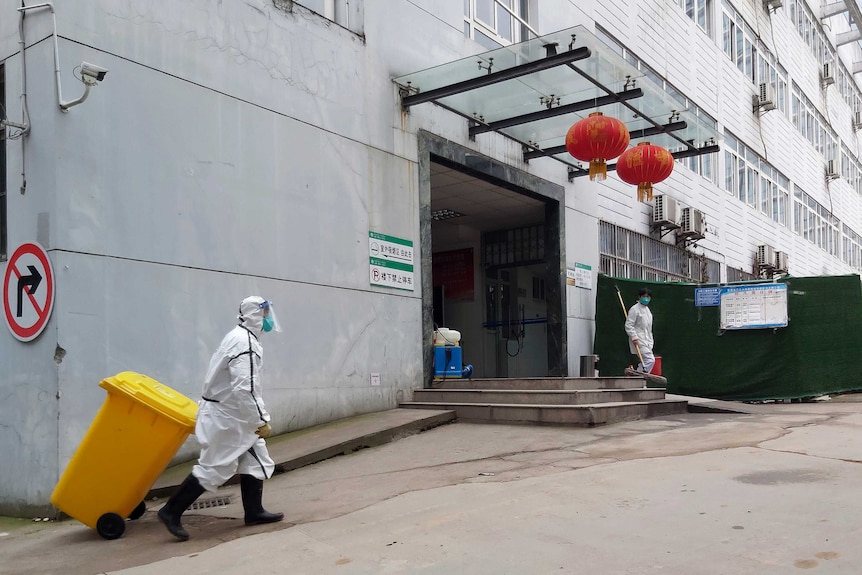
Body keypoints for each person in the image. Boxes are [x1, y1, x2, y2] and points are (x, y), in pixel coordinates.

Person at [158, 296, 284, 541]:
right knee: (216, 466)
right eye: (266, 313)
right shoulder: (245, 343)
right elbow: (244, 388)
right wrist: (261, 421)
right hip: (227, 416)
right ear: (255, 315)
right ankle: (170, 511)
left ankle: (254, 512)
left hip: (231, 414)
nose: (269, 319)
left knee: (256, 460)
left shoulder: (239, 336)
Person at [624, 287, 655, 375]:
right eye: (644, 296)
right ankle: (638, 376)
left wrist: (650, 342)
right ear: (639, 297)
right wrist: (634, 336)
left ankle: (636, 375)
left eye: (648, 297)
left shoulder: (648, 311)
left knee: (645, 361)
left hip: (647, 340)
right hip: (638, 339)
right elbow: (629, 324)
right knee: (650, 359)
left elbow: (648, 329)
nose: (646, 299)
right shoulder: (635, 309)